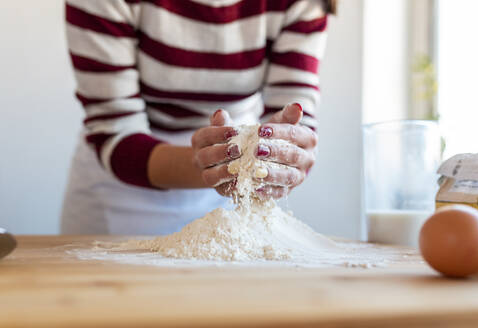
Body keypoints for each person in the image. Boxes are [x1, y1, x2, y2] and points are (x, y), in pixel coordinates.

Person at [61, 0, 336, 235]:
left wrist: (286, 153)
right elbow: (115, 128)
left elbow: (295, 116)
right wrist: (226, 164)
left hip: (235, 190)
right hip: (123, 193)